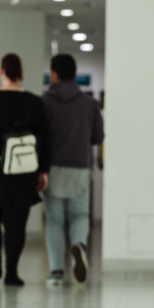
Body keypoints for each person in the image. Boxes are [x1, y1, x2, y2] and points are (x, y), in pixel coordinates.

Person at [0, 53, 51, 286]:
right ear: (20, 73)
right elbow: (45, 139)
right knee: (16, 224)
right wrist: (43, 171)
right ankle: (12, 272)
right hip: (23, 174)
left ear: (2, 72)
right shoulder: (34, 103)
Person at [41, 54, 104, 286]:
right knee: (79, 215)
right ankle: (78, 244)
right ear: (74, 74)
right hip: (79, 169)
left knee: (55, 220)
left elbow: (39, 137)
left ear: (54, 74)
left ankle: (56, 272)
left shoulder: (45, 102)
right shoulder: (89, 104)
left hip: (52, 169)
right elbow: (98, 137)